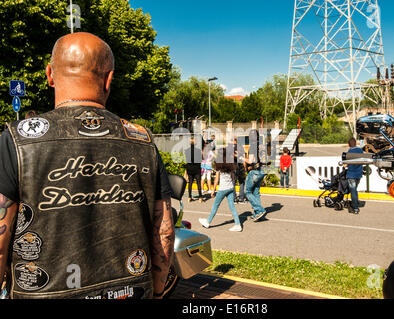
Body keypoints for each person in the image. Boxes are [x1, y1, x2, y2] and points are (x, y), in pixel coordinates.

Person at [0, 32, 174, 299]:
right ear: (108, 79)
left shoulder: (16, 139)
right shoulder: (142, 139)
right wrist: (158, 289)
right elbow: (164, 229)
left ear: (50, 74)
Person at [198, 148, 242, 232]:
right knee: (232, 206)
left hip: (222, 189)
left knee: (215, 205)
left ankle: (208, 222)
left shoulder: (219, 165)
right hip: (230, 188)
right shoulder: (231, 164)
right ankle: (238, 224)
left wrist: (213, 190)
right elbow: (233, 178)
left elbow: (216, 179)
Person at [240, 130, 267, 221]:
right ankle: (257, 213)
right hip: (262, 170)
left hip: (255, 172)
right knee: (256, 192)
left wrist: (241, 157)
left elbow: (251, 161)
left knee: (247, 191)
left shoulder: (253, 146)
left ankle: (259, 210)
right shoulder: (262, 145)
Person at [346, 137, 364, 214]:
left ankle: (355, 207)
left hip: (351, 174)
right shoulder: (360, 150)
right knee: (354, 190)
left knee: (353, 191)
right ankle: (355, 202)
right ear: (355, 143)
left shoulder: (349, 152)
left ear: (349, 144)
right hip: (358, 174)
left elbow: (346, 164)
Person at [184, 136, 203, 202]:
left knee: (190, 183)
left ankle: (189, 197)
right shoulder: (198, 151)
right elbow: (200, 160)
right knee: (198, 183)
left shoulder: (186, 151)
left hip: (189, 169)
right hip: (197, 169)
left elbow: (187, 161)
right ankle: (200, 197)